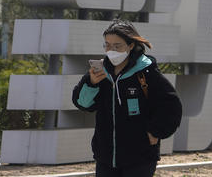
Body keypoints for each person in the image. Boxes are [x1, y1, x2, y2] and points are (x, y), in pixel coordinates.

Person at [71, 19, 182, 177]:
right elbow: (83, 104)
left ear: (130, 45)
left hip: (140, 157)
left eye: (117, 46)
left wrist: (155, 132)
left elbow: (171, 105)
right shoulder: (102, 72)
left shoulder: (146, 72)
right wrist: (91, 83)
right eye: (107, 45)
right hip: (106, 157)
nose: (111, 50)